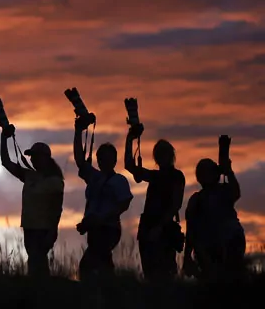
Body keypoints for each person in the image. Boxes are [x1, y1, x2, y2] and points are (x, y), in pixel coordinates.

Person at [0, 125, 64, 277]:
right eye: (32, 156)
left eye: (36, 156)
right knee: (35, 261)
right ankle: (39, 290)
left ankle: (40, 290)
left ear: (45, 158)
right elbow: (6, 162)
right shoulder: (30, 176)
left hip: (44, 228)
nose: (33, 159)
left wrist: (52, 230)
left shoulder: (54, 181)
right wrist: (4, 138)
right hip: (30, 226)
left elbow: (57, 208)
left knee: (37, 260)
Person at [74, 116, 132, 280]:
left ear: (114, 160)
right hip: (94, 228)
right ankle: (109, 294)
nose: (103, 161)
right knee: (102, 264)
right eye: (101, 158)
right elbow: (79, 160)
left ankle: (105, 293)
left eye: (107, 158)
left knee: (89, 265)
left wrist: (101, 218)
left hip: (108, 228)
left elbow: (124, 205)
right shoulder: (94, 177)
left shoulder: (119, 180)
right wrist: (78, 131)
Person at [124, 126, 185, 282]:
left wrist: (160, 227)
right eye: (158, 154)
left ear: (171, 155)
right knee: (150, 273)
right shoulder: (154, 175)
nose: (161, 157)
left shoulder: (176, 176)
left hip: (163, 228)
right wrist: (130, 139)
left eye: (164, 153)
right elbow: (129, 166)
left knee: (166, 273)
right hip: (148, 226)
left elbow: (175, 204)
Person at [183, 135, 245, 281]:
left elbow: (236, 193)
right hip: (209, 248)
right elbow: (191, 230)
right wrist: (187, 256)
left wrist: (229, 171)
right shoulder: (197, 199)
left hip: (230, 242)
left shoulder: (224, 190)